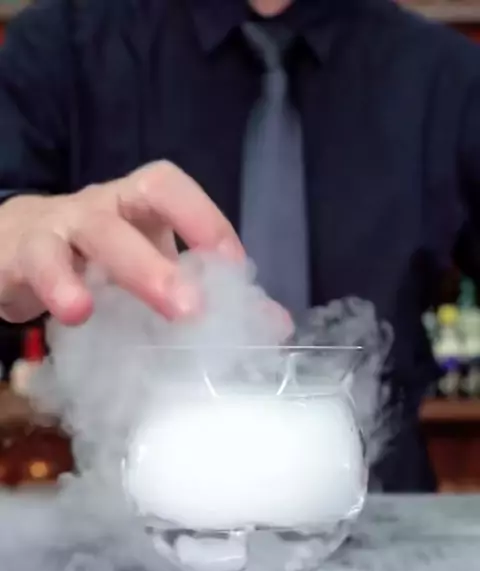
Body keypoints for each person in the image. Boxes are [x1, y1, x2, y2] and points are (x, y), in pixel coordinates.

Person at [1, 0, 480, 491]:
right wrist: (15, 226)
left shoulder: (450, 78)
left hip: (382, 509)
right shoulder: (61, 47)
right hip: (139, 507)